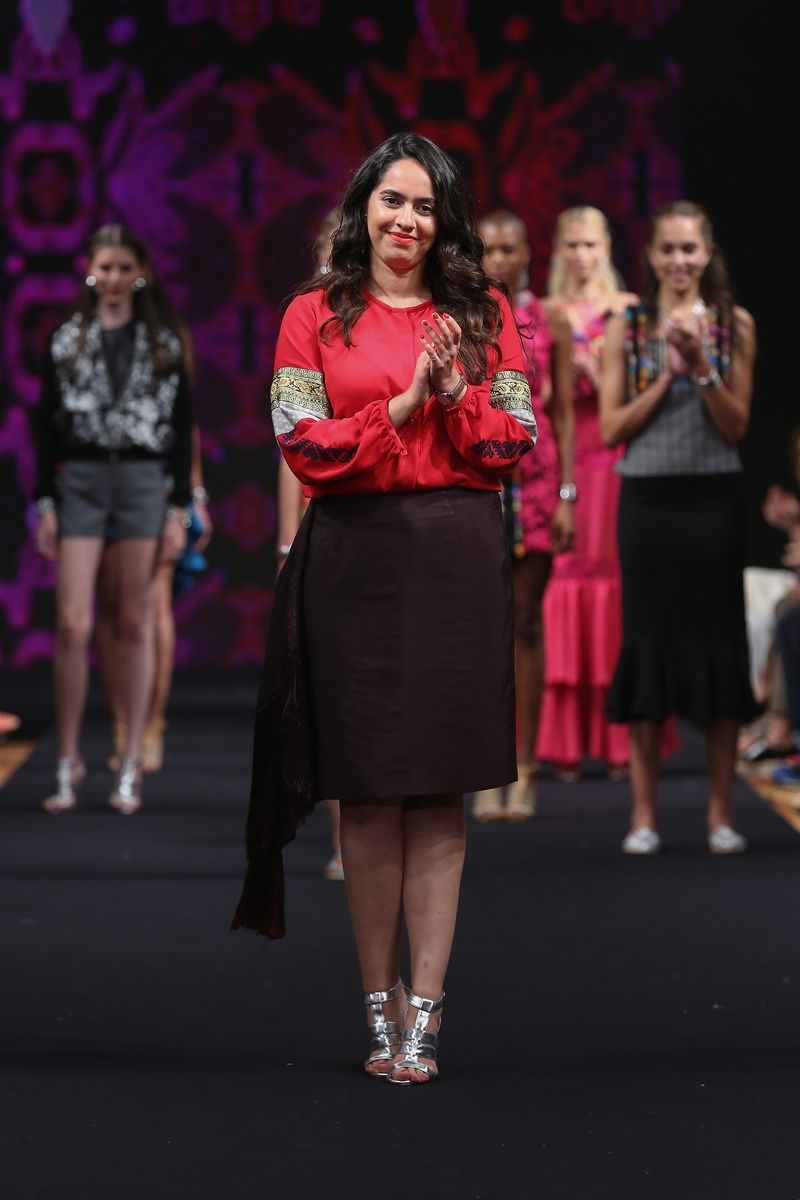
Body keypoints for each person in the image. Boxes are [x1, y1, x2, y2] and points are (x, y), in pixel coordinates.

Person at [232, 133, 536, 1085]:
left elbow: (515, 438)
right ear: (363, 206)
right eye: (391, 201)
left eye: (426, 207)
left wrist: (453, 396)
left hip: (454, 555)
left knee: (439, 786)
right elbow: (303, 445)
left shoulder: (484, 315)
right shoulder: (311, 314)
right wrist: (401, 407)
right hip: (354, 561)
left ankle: (430, 1013)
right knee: (367, 790)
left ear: (444, 221)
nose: (407, 221)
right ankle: (380, 1005)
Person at [599, 200, 757, 854]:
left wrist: (703, 367)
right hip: (649, 502)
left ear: (709, 250)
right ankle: (643, 816)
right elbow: (611, 429)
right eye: (668, 249)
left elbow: (737, 423)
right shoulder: (628, 327)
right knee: (649, 648)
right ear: (652, 254)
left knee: (721, 649)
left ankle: (720, 813)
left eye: (690, 249)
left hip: (713, 500)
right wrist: (666, 377)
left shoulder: (734, 324)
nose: (680, 261)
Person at [33, 224, 192, 814]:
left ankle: (129, 760)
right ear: (90, 270)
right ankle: (68, 758)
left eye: (126, 266)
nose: (115, 277)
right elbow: (43, 425)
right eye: (106, 266)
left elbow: (182, 429)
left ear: (140, 271)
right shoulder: (67, 339)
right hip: (81, 477)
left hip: (144, 479)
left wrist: (179, 506)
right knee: (74, 622)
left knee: (133, 619)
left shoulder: (162, 342)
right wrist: (44, 502)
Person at [471, 210, 575, 820]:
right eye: (492, 250)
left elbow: (560, 411)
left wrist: (568, 494)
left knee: (527, 624)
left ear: (530, 251)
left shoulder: (549, 317)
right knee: (482, 628)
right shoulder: (465, 311)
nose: (502, 259)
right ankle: (488, 767)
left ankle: (527, 769)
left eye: (512, 248)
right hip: (482, 473)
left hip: (535, 479)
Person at [537, 207, 638, 779]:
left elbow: (634, 399)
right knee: (565, 582)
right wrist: (558, 372)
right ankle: (565, 744)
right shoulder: (546, 313)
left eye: (590, 244)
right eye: (571, 244)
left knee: (616, 586)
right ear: (559, 248)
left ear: (606, 248)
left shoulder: (625, 311)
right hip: (568, 461)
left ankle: (622, 740)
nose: (581, 254)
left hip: (615, 459)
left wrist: (597, 374)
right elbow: (536, 395)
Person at [275, 207, 344, 879]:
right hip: (319, 515)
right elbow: (288, 447)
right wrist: (282, 541)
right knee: (329, 691)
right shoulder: (305, 318)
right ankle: (345, 837)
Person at [97, 422, 213, 775]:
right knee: (109, 605)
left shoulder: (169, 364)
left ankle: (151, 726)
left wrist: (195, 492)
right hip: (99, 477)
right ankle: (121, 725)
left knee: (154, 603)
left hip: (160, 481)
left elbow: (183, 413)